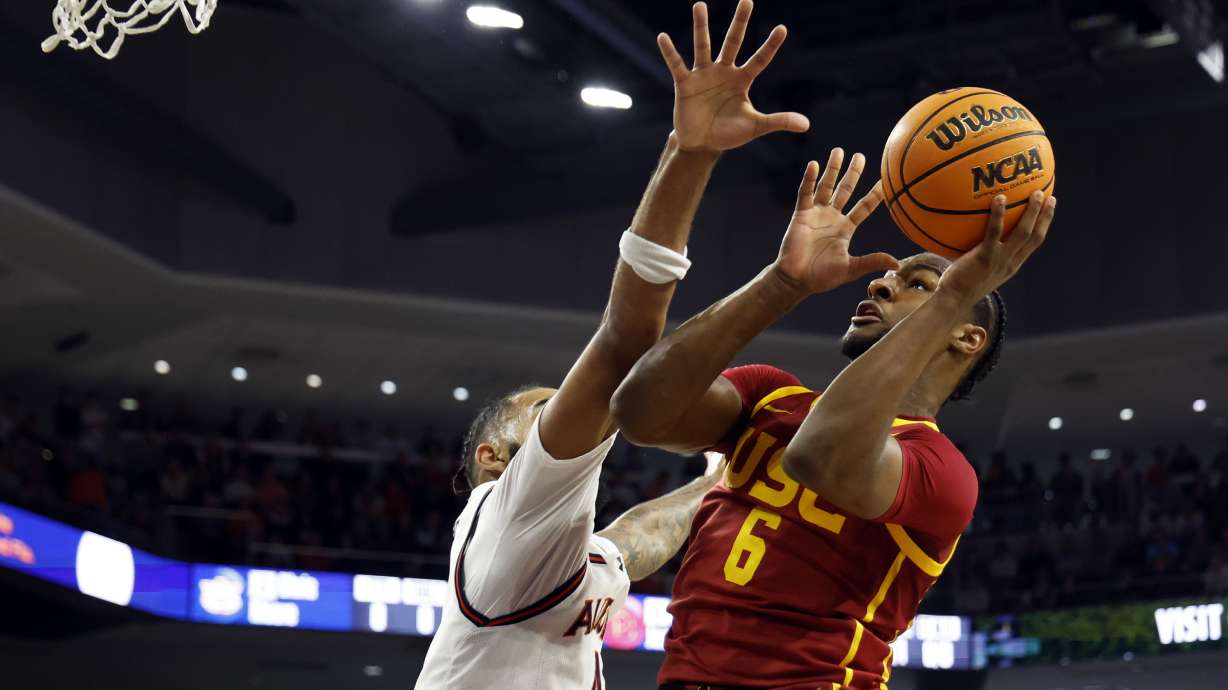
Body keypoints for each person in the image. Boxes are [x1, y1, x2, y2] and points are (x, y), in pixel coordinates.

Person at [414, 2, 810, 688]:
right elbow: (625, 338)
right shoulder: (511, 513)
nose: (573, 407)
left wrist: (718, 480)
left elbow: (635, 540)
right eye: (547, 407)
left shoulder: (546, 553)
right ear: (492, 458)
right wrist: (690, 154)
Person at [613, 148, 1056, 686]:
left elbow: (818, 455)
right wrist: (783, 282)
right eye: (891, 277)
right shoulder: (770, 395)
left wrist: (958, 290)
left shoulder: (941, 472)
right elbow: (638, 411)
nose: (880, 283)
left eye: (918, 284)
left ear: (966, 337)